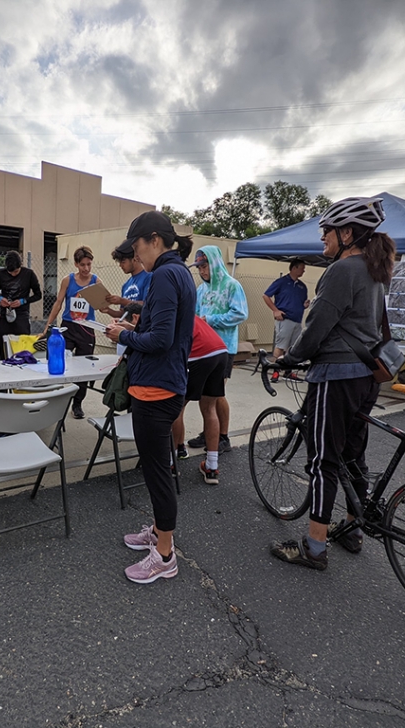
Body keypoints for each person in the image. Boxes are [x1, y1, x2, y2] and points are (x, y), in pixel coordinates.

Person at [270, 196, 396, 571]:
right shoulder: (374, 270)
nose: (322, 238)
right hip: (365, 375)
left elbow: (317, 327)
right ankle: (353, 528)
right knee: (352, 454)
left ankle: (314, 547)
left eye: (326, 231)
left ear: (346, 233)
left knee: (323, 459)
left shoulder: (342, 271)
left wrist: (288, 357)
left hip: (336, 376)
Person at [104, 211, 195, 584]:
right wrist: (133, 326)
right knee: (159, 468)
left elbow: (160, 340)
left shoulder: (162, 275)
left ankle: (164, 554)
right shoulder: (179, 273)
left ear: (154, 239)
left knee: (158, 473)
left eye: (137, 246)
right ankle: (158, 533)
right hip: (166, 383)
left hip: (157, 388)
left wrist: (122, 336)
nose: (135, 255)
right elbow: (163, 328)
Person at [188, 245, 248, 455]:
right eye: (199, 268)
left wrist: (211, 320)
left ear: (214, 263)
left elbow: (240, 313)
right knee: (205, 395)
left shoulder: (232, 285)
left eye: (204, 266)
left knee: (216, 394)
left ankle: (223, 436)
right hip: (202, 349)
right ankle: (209, 432)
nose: (202, 271)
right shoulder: (201, 289)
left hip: (223, 348)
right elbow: (194, 314)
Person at [170, 312, 229, 485]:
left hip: (198, 355)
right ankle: (212, 466)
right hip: (220, 351)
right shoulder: (187, 310)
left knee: (177, 406)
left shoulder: (164, 310)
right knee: (210, 408)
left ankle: (171, 462)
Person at [42, 246, 98, 419]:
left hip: (86, 328)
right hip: (68, 327)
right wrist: (48, 325)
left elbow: (101, 304)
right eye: (82, 265)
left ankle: (77, 404)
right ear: (76, 264)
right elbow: (58, 303)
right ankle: (51, 399)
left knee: (83, 368)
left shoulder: (96, 280)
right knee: (56, 362)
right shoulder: (68, 280)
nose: (86, 268)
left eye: (89, 264)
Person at [0, 250, 42, 359]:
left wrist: (23, 301)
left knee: (22, 350)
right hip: (5, 316)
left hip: (21, 316)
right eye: (11, 273)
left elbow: (38, 295)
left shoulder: (28, 274)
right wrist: (0, 298)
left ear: (21, 265)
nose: (14, 274)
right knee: (3, 347)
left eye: (16, 271)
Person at [263, 258, 309, 366]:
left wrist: (304, 306)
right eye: (302, 268)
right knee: (281, 345)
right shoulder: (281, 282)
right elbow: (266, 295)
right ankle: (276, 371)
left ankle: (287, 371)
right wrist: (275, 310)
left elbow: (301, 303)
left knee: (293, 347)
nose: (303, 271)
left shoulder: (302, 286)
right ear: (294, 268)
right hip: (285, 319)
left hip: (297, 320)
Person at [103, 239, 152, 317]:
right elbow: (123, 314)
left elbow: (147, 304)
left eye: (123, 261)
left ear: (135, 259)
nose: (120, 265)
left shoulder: (149, 277)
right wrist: (108, 310)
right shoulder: (126, 285)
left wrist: (122, 301)